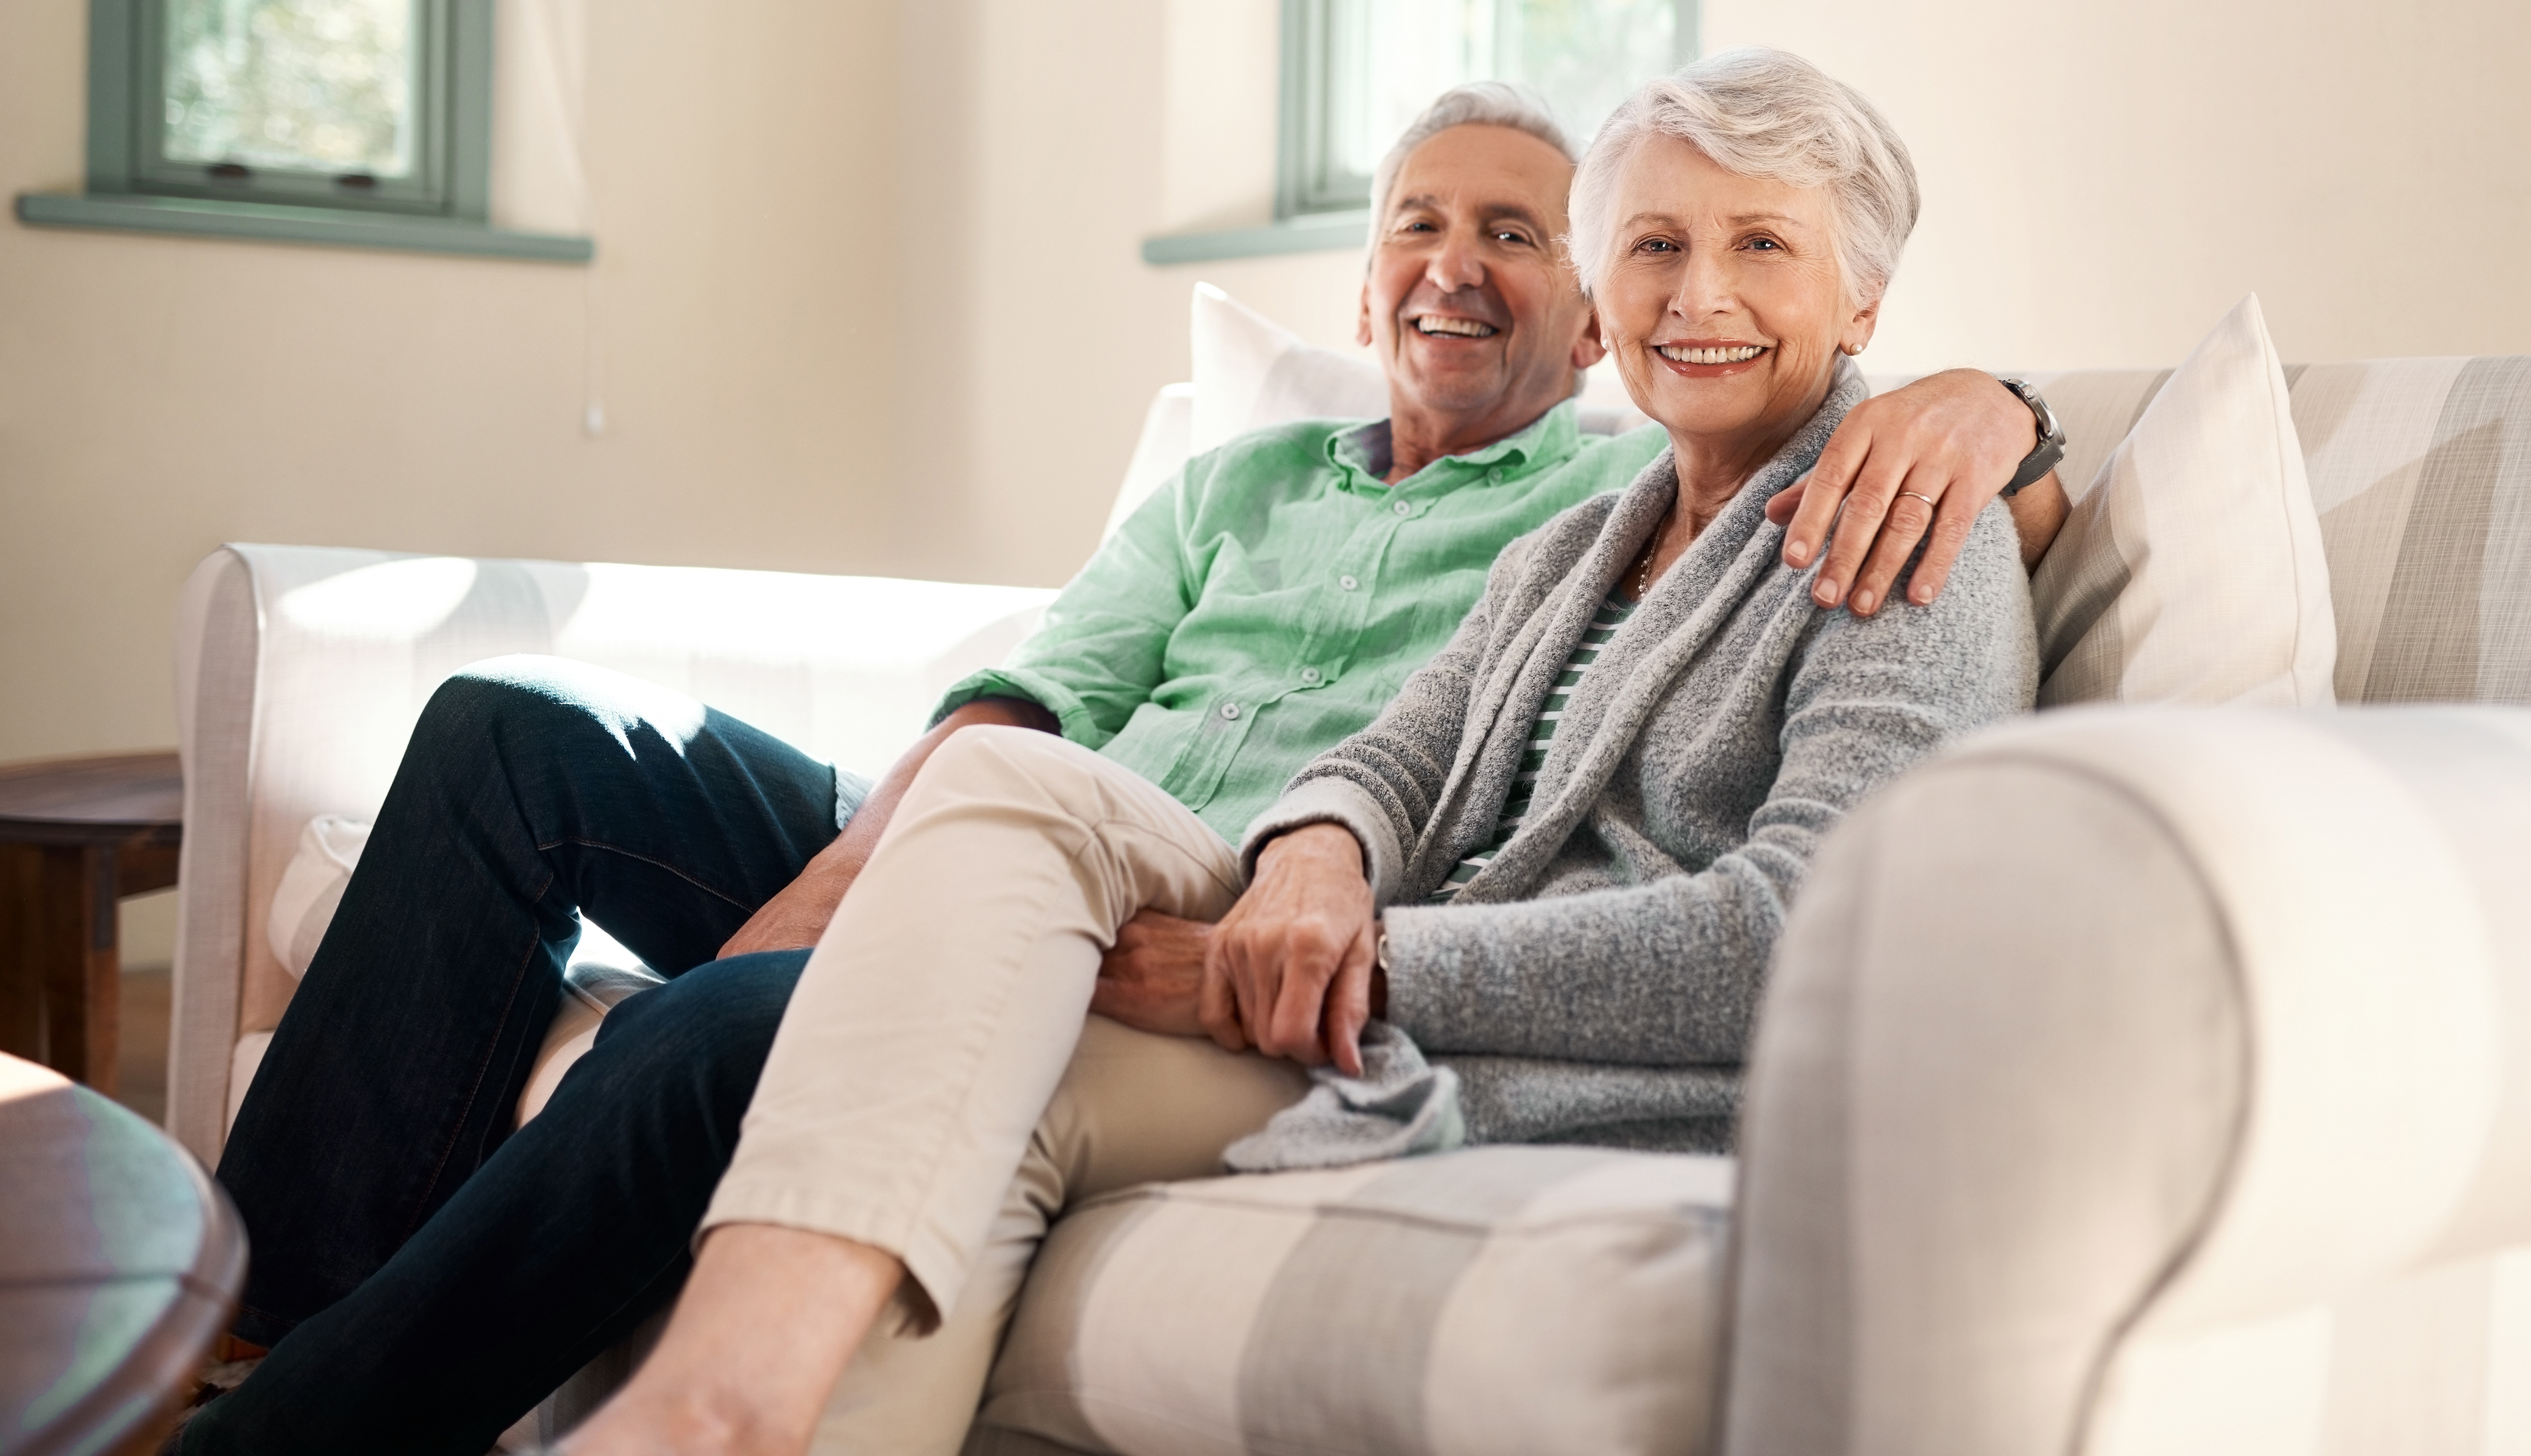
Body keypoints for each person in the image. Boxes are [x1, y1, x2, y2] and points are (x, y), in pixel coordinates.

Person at [184, 75, 2063, 1455]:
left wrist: (1991, 412)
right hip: (1046, 846)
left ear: (1578, 327)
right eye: (1650, 241)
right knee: (533, 739)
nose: (1465, 270)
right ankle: (256, 1328)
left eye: (1523, 236)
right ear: (1371, 286)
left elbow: (1950, 546)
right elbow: (1085, 691)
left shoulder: (1670, 483)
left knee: (764, 1014)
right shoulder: (1420, 513)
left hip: (1201, 901)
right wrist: (871, 881)